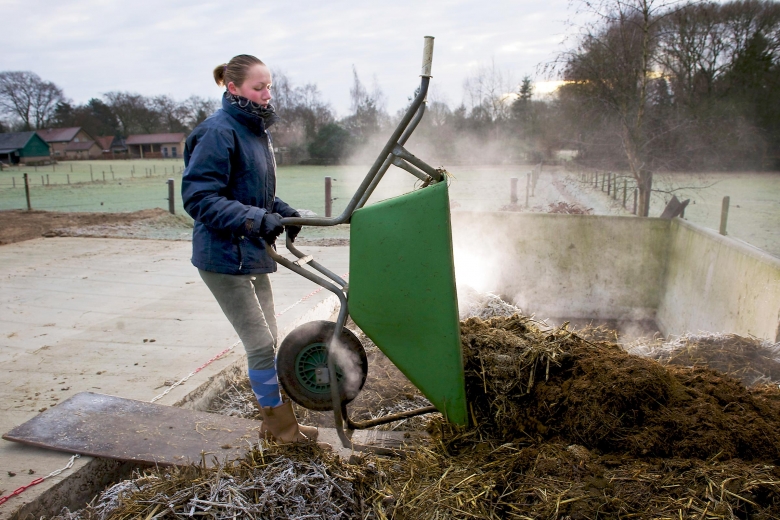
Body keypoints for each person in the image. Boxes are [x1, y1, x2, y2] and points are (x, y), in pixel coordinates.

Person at [181, 54, 316, 443]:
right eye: (259, 87)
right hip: (223, 256)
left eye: (269, 86)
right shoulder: (218, 132)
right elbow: (201, 198)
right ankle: (280, 429)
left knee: (272, 339)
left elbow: (253, 193)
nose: (266, 94)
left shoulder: (255, 132)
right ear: (232, 87)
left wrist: (281, 211)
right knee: (260, 343)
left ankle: (278, 422)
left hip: (252, 251)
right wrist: (258, 220)